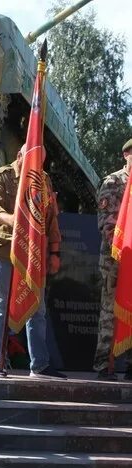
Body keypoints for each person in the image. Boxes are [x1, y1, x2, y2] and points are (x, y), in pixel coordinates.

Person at [0, 145, 65, 379]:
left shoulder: (43, 179)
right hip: (5, 250)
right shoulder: (2, 176)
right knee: (0, 307)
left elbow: (51, 218)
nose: (37, 167)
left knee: (36, 309)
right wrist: (18, 221)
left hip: (34, 255)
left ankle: (39, 365)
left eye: (41, 162)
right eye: (33, 160)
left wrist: (55, 252)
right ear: (20, 156)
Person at [94, 138, 132, 380]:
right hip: (115, 258)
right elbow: (107, 224)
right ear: (126, 154)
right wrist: (121, 253)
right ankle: (103, 363)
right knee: (110, 311)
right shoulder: (113, 182)